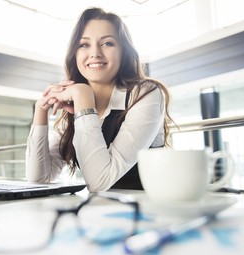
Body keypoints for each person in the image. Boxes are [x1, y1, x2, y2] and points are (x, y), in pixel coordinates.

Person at [25, 7, 174, 192]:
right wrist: (41, 110)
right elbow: (38, 177)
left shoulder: (145, 93)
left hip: (148, 211)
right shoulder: (77, 103)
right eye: (84, 45)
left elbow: (99, 182)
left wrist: (83, 96)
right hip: (101, 212)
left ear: (123, 52)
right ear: (75, 54)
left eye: (107, 43)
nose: (95, 53)